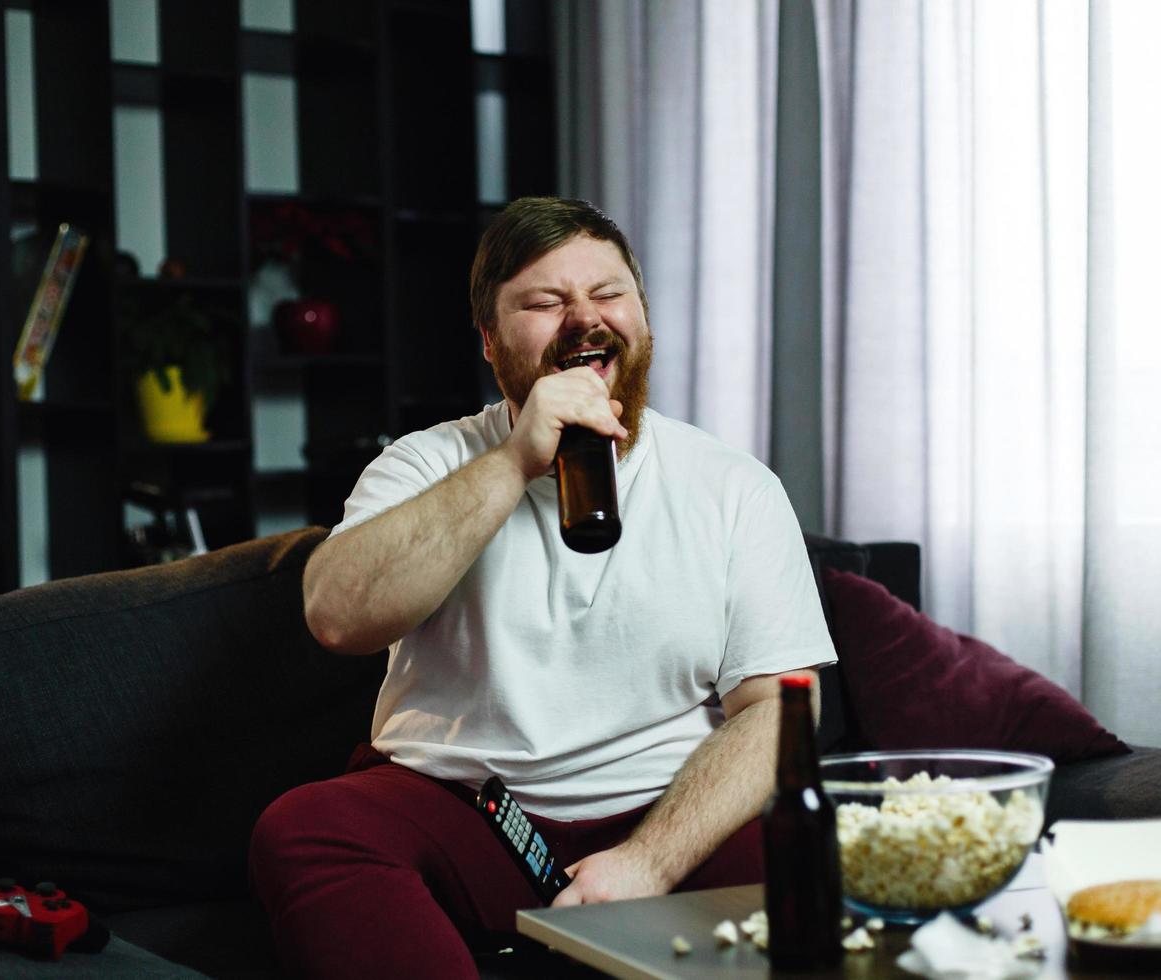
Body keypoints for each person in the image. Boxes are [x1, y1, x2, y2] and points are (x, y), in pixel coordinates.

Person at [249, 197, 836, 977]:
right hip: (465, 807)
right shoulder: (424, 464)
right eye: (545, 301)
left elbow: (779, 710)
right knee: (304, 827)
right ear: (490, 342)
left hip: (669, 811)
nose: (584, 320)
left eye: (608, 294)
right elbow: (337, 617)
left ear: (643, 318)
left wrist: (650, 862)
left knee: (815, 850)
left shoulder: (735, 488)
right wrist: (514, 461)